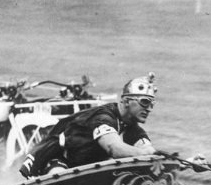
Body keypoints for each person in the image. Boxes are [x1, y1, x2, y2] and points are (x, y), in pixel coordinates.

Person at [19, 73, 158, 178]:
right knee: (61, 181)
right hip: (56, 157)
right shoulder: (104, 117)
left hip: (82, 165)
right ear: (126, 101)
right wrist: (144, 154)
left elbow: (147, 148)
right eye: (145, 102)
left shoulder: (131, 126)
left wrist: (154, 155)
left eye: (151, 104)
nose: (149, 108)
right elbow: (114, 148)